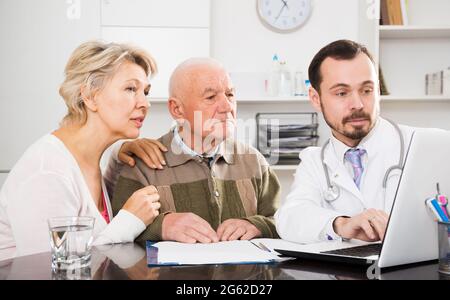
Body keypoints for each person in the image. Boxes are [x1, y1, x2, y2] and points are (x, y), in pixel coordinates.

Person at [0, 41, 162, 259]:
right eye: (131, 89)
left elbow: (96, 231)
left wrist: (117, 158)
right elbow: (55, 269)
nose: (145, 103)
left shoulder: (90, 160)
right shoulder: (48, 173)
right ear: (90, 97)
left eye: (146, 91)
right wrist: (130, 221)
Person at [109, 57, 280, 243]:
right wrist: (161, 227)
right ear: (177, 110)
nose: (227, 107)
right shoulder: (140, 167)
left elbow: (283, 223)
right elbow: (118, 237)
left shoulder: (254, 161)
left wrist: (258, 226)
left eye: (230, 95)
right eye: (210, 97)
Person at [275, 40, 415, 244]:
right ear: (315, 98)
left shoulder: (420, 145)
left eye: (366, 90)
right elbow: (290, 218)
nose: (357, 104)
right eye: (342, 93)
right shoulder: (315, 161)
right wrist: (341, 224)